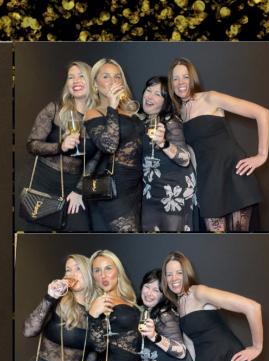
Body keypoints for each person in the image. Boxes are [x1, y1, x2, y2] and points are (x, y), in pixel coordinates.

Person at [169, 57, 269, 232]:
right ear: (171, 84)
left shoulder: (211, 98)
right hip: (208, 181)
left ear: (192, 78)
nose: (180, 82)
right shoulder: (179, 113)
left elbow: (262, 113)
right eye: (175, 78)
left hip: (234, 173)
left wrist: (262, 155)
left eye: (185, 77)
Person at [161, 251, 261, 361]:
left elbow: (253, 307)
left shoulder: (199, 292)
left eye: (179, 272)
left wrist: (257, 347)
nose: (174, 278)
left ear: (186, 273)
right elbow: (190, 345)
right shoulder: (179, 304)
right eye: (169, 274)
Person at [21, 61, 94, 232]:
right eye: (71, 77)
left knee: (80, 233)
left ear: (92, 81)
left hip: (74, 188)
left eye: (81, 76)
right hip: (42, 183)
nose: (75, 81)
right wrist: (60, 146)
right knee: (37, 239)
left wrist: (79, 190)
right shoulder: (54, 109)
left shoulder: (99, 116)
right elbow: (32, 145)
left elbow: (98, 158)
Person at [21, 254, 93, 361]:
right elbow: (28, 331)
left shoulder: (97, 307)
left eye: (78, 269)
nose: (72, 274)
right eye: (68, 270)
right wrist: (49, 297)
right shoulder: (58, 301)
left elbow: (95, 350)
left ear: (89, 274)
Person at [83, 58, 144, 233]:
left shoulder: (132, 112)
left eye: (117, 76)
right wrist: (112, 106)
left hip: (137, 185)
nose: (113, 81)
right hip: (115, 185)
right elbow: (109, 145)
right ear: (95, 85)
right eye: (106, 76)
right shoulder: (94, 113)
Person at [85, 249, 141, 361]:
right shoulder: (98, 303)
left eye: (108, 268)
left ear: (118, 270)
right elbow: (99, 346)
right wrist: (93, 316)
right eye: (97, 270)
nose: (103, 275)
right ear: (93, 276)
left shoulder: (128, 299)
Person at [139, 76, 197, 232]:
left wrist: (163, 143)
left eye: (158, 94)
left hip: (173, 191)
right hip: (151, 192)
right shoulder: (142, 121)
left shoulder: (171, 122)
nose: (150, 96)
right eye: (148, 90)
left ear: (166, 101)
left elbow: (185, 159)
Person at [136, 268, 195, 361]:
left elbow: (181, 351)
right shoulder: (145, 312)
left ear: (163, 295)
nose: (149, 293)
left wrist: (155, 337)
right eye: (147, 287)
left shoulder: (164, 314)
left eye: (156, 290)